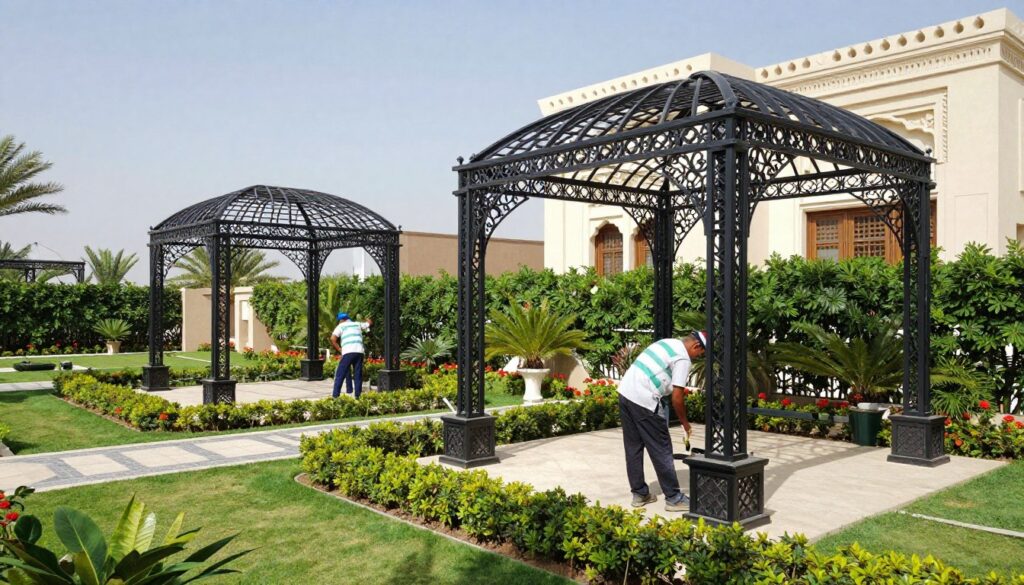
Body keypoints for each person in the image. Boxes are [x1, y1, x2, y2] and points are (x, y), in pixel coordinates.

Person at [616, 331, 706, 512]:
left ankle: (640, 493)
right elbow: (677, 397)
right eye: (701, 354)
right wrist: (685, 424)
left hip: (625, 392)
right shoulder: (683, 358)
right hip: (643, 398)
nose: (698, 357)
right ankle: (673, 497)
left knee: (633, 447)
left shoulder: (668, 342)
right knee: (661, 448)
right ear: (696, 346)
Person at [330, 312, 371, 398]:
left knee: (340, 374)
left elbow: (333, 339)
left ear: (342, 320)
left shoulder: (341, 326)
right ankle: (357, 396)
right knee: (357, 374)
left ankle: (335, 396)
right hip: (359, 352)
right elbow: (369, 323)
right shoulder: (357, 324)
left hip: (348, 351)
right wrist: (367, 320)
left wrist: (340, 349)